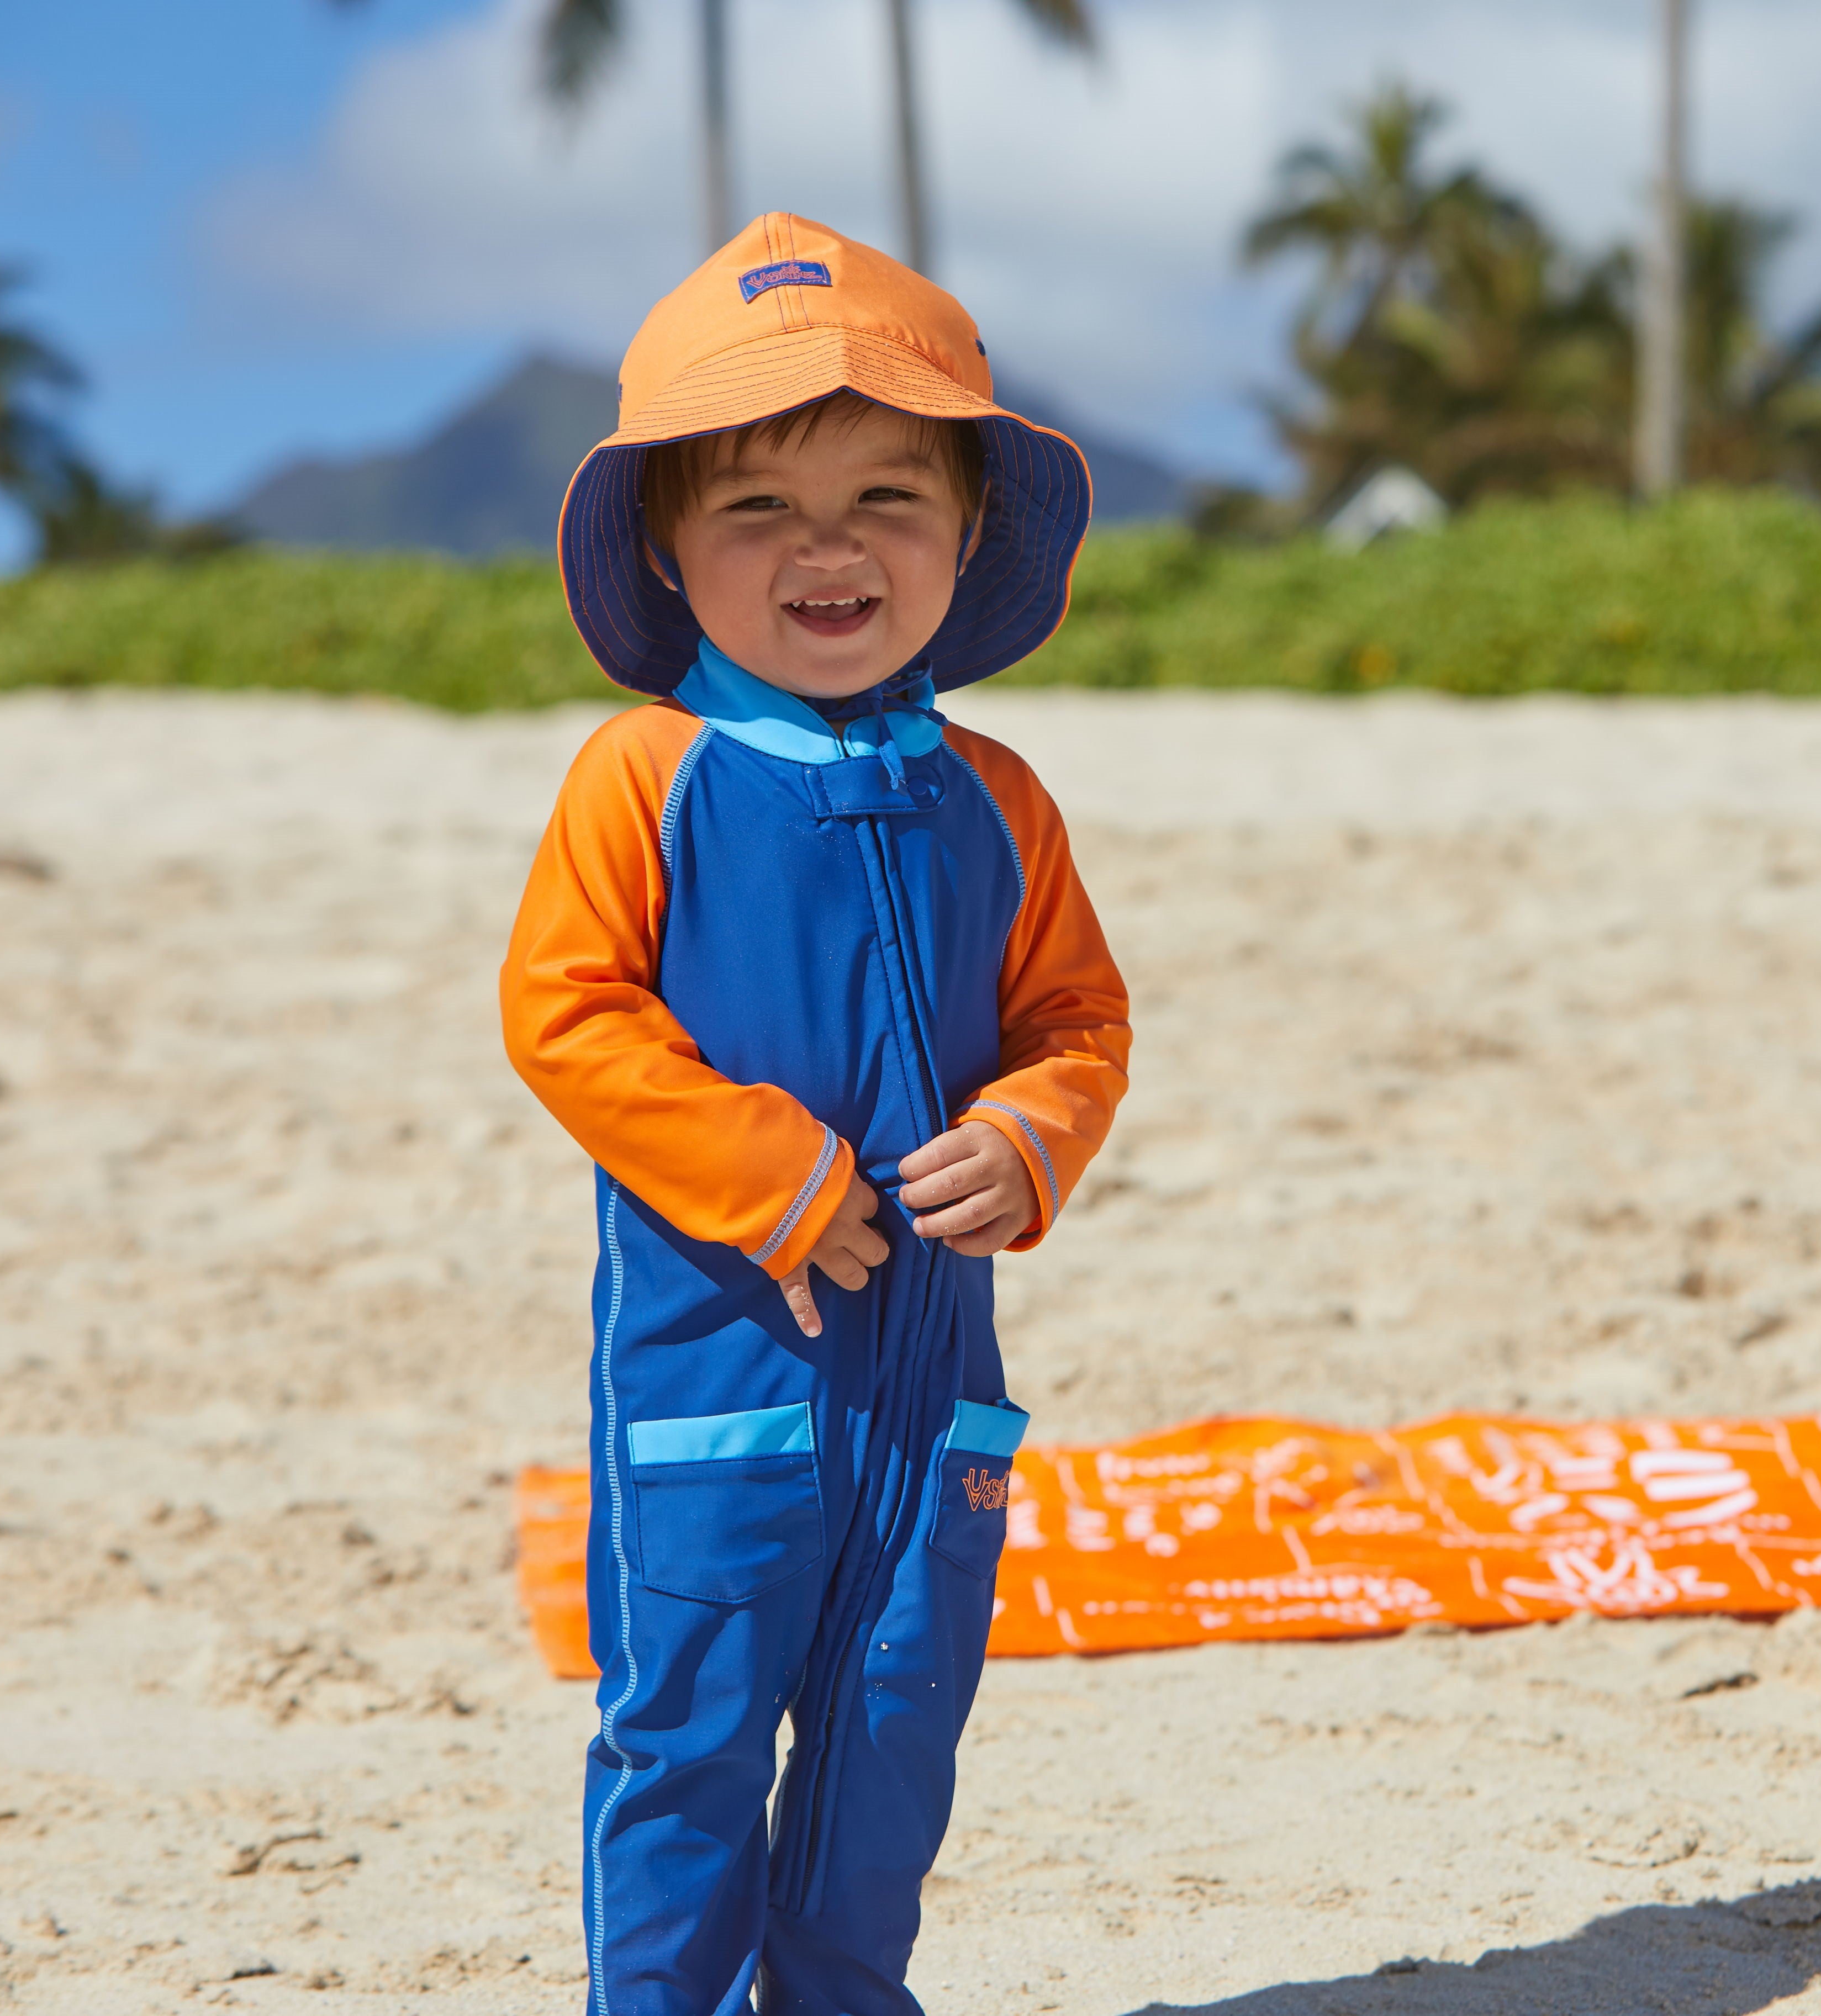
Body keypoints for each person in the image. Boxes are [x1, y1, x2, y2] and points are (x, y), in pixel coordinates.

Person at [500, 213, 1131, 2016]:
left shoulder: (1000, 799)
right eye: (758, 506)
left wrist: (1028, 1137)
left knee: (888, 1740)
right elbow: (561, 1008)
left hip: (936, 1397)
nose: (829, 547)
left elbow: (1075, 1020)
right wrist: (766, 1173)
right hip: (717, 1389)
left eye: (888, 499)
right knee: (687, 1741)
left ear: (968, 536)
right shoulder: (646, 777)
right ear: (666, 546)